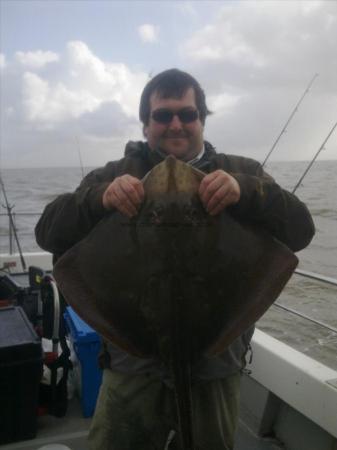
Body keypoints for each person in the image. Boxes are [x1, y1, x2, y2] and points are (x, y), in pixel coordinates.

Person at [35, 68, 315, 450]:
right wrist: (98, 198)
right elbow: (48, 231)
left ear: (202, 118)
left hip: (215, 359)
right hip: (132, 361)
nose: (176, 124)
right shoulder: (115, 175)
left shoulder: (241, 172)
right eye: (163, 115)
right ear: (146, 123)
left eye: (188, 113)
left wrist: (248, 192)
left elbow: (301, 231)